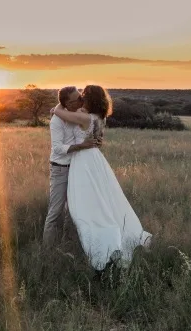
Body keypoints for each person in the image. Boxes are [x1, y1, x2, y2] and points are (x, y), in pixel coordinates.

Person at [51, 85, 152, 271]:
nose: (81, 98)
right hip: (97, 159)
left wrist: (57, 106)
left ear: (89, 99)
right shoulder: (100, 117)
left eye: (83, 96)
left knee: (84, 207)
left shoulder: (84, 117)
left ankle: (103, 245)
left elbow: (57, 112)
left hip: (83, 161)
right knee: (105, 199)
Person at [42, 86, 101, 250]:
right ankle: (46, 252)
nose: (80, 102)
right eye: (75, 100)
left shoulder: (77, 113)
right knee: (55, 211)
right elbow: (58, 148)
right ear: (66, 103)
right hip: (60, 168)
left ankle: (67, 245)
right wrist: (81, 146)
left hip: (76, 168)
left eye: (80, 98)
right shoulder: (56, 120)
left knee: (73, 210)